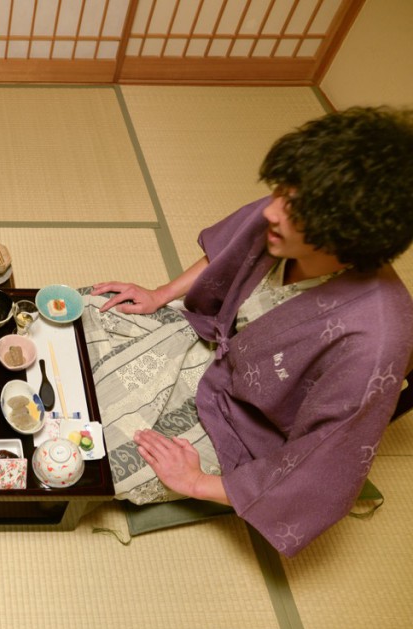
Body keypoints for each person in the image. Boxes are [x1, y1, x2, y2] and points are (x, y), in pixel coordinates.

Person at [83, 107, 413, 556]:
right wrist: (160, 294)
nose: (272, 210)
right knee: (77, 309)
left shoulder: (373, 338)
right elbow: (224, 256)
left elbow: (326, 461)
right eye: (282, 190)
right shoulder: (282, 220)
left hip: (245, 425)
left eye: (293, 208)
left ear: (346, 235)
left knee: (97, 462)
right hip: (209, 339)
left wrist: (198, 483)